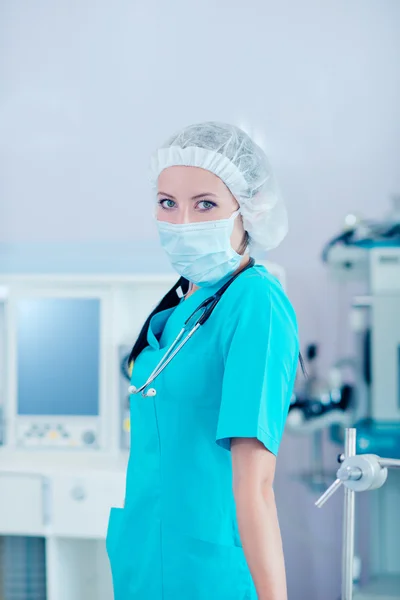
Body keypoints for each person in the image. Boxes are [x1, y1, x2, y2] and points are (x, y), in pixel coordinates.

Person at [106, 122, 299, 600]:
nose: (182, 221)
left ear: (249, 208)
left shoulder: (255, 302)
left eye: (205, 204)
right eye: (167, 202)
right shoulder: (185, 300)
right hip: (147, 565)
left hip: (208, 575)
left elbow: (257, 487)